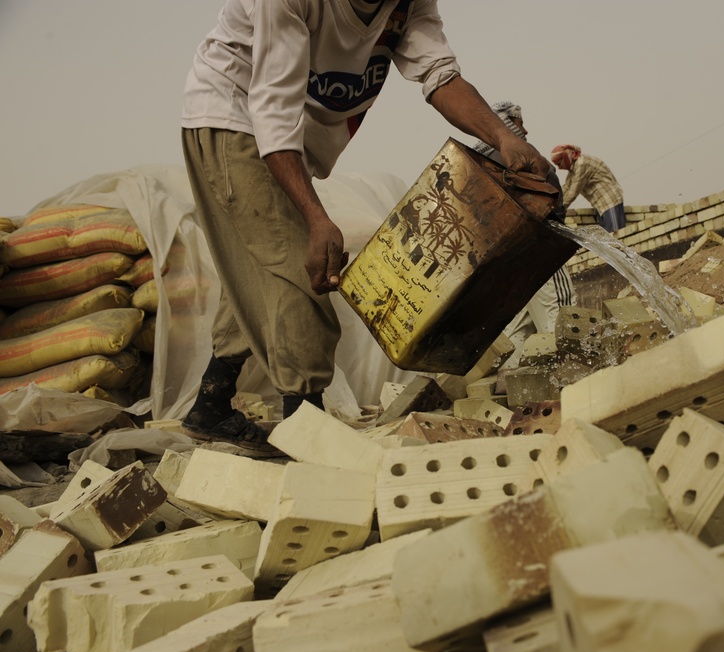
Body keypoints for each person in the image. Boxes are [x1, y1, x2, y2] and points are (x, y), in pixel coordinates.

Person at [179, 0, 552, 454]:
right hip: (234, 118)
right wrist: (317, 218)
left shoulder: (409, 2)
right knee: (300, 272)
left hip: (289, 138)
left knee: (260, 272)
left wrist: (504, 137)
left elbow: (440, 75)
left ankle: (210, 406)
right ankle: (308, 443)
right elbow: (272, 114)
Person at [473, 101, 576, 363]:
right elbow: (550, 199)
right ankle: (572, 376)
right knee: (560, 315)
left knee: (519, 328)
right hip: (538, 251)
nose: (525, 130)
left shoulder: (476, 166)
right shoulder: (520, 159)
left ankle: (511, 384)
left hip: (503, 265)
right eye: (519, 123)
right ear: (506, 123)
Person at [551, 145, 626, 233]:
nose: (559, 168)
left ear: (565, 157)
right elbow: (566, 188)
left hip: (610, 202)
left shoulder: (582, 164)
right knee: (608, 238)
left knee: (616, 235)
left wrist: (559, 210)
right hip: (601, 207)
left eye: (559, 163)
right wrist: (553, 203)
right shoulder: (574, 168)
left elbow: (573, 192)